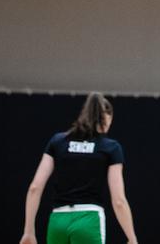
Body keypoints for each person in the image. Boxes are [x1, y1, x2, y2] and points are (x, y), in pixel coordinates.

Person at [19, 92, 139, 244]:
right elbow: (119, 201)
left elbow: (35, 187)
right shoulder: (111, 147)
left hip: (58, 221)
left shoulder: (58, 141)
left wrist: (28, 231)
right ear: (107, 118)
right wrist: (132, 237)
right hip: (89, 220)